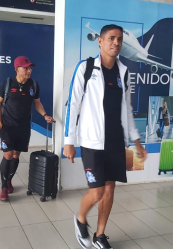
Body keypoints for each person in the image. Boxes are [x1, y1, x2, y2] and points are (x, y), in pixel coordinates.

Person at [63, 24, 147, 249]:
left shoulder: (124, 72)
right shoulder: (86, 68)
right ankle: (80, 217)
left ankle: (100, 235)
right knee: (97, 190)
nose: (116, 43)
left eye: (119, 39)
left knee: (110, 189)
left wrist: (137, 141)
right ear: (100, 41)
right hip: (91, 141)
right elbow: (73, 105)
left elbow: (127, 109)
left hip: (116, 142)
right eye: (111, 38)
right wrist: (68, 141)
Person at [0, 56, 54, 201]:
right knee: (8, 154)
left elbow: (37, 103)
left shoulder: (33, 85)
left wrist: (45, 115)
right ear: (17, 69)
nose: (29, 71)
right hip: (7, 126)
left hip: (24, 126)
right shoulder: (8, 83)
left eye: (30, 68)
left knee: (16, 155)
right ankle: (3, 187)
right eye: (25, 68)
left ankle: (9, 180)